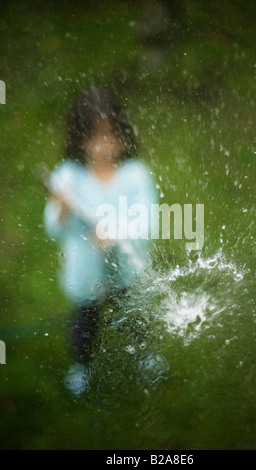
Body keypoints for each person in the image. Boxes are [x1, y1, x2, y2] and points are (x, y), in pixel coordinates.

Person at [43, 86, 158, 394]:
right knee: (84, 323)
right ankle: (80, 366)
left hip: (125, 272)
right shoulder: (68, 176)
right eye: (94, 137)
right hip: (86, 275)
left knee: (136, 319)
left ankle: (146, 356)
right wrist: (62, 211)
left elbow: (148, 223)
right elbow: (54, 228)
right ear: (79, 139)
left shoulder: (135, 175)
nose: (103, 146)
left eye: (110, 136)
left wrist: (117, 232)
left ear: (123, 135)